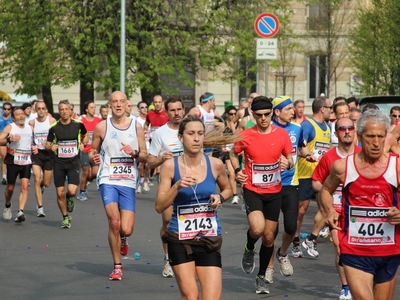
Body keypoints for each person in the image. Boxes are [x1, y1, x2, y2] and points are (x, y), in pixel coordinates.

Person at [320, 109, 400, 300]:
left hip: (388, 249)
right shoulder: (343, 166)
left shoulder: (396, 166)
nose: (376, 142)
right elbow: (325, 190)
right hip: (355, 249)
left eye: (381, 136)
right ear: (360, 136)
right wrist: (330, 211)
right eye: (370, 136)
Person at [155, 115, 233, 300]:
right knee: (191, 297)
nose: (196, 138)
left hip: (209, 239)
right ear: (181, 137)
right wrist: (177, 186)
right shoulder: (169, 166)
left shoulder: (215, 164)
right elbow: (159, 206)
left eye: (200, 133)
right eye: (191, 133)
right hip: (180, 239)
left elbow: (229, 189)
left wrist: (220, 197)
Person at [230, 96, 294, 294]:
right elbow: (233, 154)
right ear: (253, 115)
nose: (264, 119)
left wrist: (288, 163)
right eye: (259, 115)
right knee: (257, 230)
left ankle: (261, 277)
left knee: (268, 238)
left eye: (267, 114)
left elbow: (290, 157)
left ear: (272, 112)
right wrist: (236, 170)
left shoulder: (282, 134)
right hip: (253, 189)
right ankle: (249, 248)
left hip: (275, 191)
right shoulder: (246, 135)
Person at [89, 91, 148, 281]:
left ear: (127, 104)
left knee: (126, 228)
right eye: (114, 102)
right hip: (108, 178)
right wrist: (94, 157)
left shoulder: (137, 126)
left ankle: (123, 238)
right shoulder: (101, 127)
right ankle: (117, 266)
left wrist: (135, 153)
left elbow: (145, 155)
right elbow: (92, 150)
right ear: (109, 105)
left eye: (121, 101)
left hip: (128, 181)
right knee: (114, 223)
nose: (118, 105)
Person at [265, 96, 317, 283]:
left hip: (290, 184)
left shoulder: (296, 128)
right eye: (287, 109)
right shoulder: (267, 129)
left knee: (290, 225)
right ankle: (269, 267)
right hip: (269, 185)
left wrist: (308, 155)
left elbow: (300, 148)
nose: (292, 112)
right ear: (277, 112)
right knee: (269, 232)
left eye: (292, 108)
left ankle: (283, 253)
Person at [312, 117, 360, 300]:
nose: (347, 131)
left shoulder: (362, 154)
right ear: (336, 133)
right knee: (340, 248)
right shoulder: (329, 157)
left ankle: (360, 281)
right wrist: (327, 190)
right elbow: (316, 182)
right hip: (336, 211)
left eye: (350, 128)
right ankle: (346, 287)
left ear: (354, 131)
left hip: (359, 211)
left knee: (357, 249)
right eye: (342, 129)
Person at [147, 98, 185, 278]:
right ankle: (168, 258)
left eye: (179, 109)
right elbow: (149, 161)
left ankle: (187, 258)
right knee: (168, 223)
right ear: (167, 112)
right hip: (169, 183)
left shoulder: (192, 129)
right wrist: (162, 158)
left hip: (191, 181)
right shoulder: (161, 133)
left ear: (183, 110)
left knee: (191, 222)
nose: (176, 113)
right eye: (172, 110)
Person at [293, 96, 331, 258]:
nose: (331, 110)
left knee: (327, 207)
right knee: (301, 211)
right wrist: (308, 156)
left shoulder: (328, 128)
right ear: (322, 109)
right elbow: (297, 148)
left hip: (322, 175)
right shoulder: (308, 126)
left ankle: (311, 238)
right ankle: (295, 242)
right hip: (305, 174)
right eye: (329, 107)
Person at [45, 100, 87, 229]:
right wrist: (51, 147)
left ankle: (70, 198)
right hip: (59, 163)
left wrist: (83, 143)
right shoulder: (54, 127)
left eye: (66, 109)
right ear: (59, 111)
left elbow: (85, 136)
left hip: (73, 162)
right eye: (61, 109)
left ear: (70, 111)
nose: (64, 112)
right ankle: (65, 217)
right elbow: (47, 144)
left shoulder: (78, 125)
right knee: (59, 192)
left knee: (72, 191)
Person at [0, 107, 33, 222]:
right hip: (13, 160)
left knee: (24, 186)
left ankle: (20, 212)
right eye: (18, 115)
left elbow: (33, 143)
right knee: (10, 187)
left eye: (22, 114)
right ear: (13, 118)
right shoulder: (10, 127)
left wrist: (34, 148)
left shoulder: (30, 128)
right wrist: (9, 139)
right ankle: (8, 205)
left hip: (26, 161)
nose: (21, 116)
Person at [29, 100, 57, 217]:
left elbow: (56, 136)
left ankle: (41, 187)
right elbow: (29, 138)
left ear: (46, 110)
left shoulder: (52, 121)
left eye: (43, 108)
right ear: (36, 109)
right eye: (38, 108)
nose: (41, 111)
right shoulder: (32, 122)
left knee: (46, 183)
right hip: (37, 153)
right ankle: (40, 208)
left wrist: (53, 144)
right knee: (36, 177)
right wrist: (32, 146)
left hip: (48, 153)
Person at [77, 101, 101, 201]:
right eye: (91, 107)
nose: (93, 109)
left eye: (94, 107)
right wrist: (79, 143)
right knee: (86, 171)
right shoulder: (80, 120)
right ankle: (81, 192)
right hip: (84, 151)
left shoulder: (98, 120)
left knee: (95, 173)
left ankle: (85, 182)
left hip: (94, 151)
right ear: (86, 109)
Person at [136, 101, 151, 193]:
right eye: (142, 107)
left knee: (148, 164)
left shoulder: (150, 118)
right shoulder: (136, 120)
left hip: (149, 144)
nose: (145, 109)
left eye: (146, 107)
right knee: (140, 165)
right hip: (139, 144)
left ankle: (146, 180)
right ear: (138, 109)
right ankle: (139, 183)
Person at [0, 102, 13, 185]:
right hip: (2, 140)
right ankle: (4, 176)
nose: (6, 111)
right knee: (4, 156)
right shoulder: (0, 118)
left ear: (10, 110)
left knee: (12, 158)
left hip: (11, 140)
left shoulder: (13, 119)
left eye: (8, 109)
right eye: (5, 109)